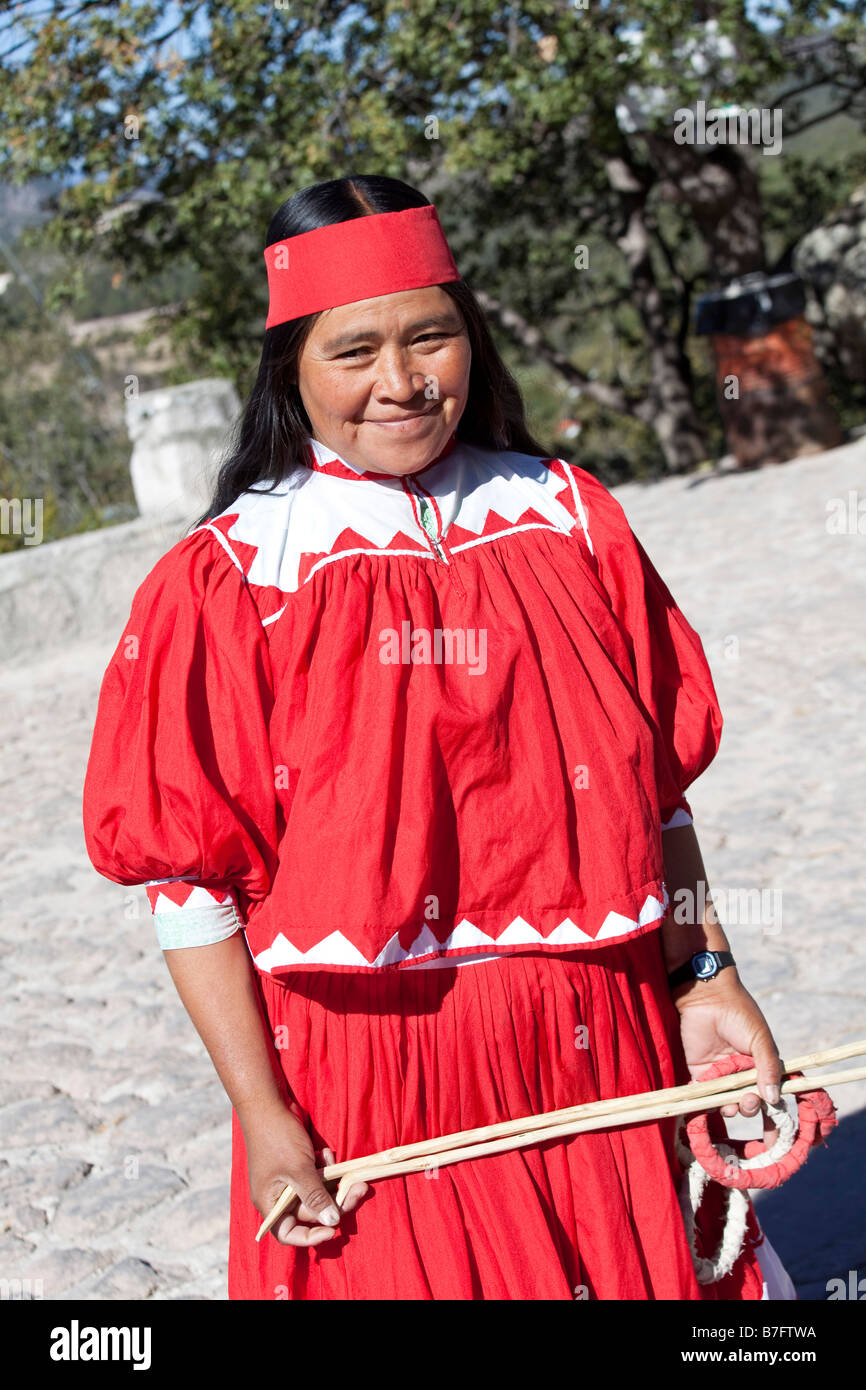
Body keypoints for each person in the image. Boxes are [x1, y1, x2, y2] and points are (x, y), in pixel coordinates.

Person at [83, 174, 796, 1301]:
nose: (402, 383)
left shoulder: (567, 516)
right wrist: (263, 1114)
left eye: (431, 338)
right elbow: (187, 884)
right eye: (352, 351)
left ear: (472, 338)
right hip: (369, 1067)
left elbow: (652, 790)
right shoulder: (229, 578)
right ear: (289, 369)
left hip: (589, 1028)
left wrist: (703, 974)